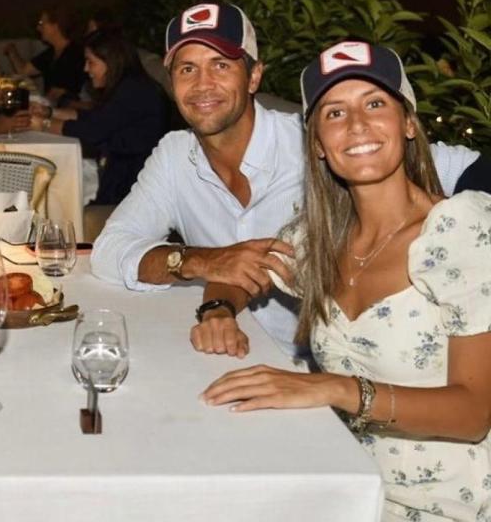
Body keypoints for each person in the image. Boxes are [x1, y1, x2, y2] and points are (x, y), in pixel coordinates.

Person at [90, 2, 487, 358]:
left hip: (332, 366)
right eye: (187, 68)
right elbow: (109, 250)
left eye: (221, 65)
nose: (202, 84)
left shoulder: (325, 141)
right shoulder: (176, 156)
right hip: (230, 354)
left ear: (254, 76)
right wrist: (202, 261)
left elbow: (454, 167)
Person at [203, 41, 491, 521]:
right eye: (335, 113)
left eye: (375, 104)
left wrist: (335, 388)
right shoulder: (321, 237)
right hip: (343, 482)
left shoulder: (462, 229)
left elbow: (473, 412)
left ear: (409, 123)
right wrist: (217, 309)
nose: (357, 125)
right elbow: (238, 269)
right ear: (317, 144)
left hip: (446, 505)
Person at [28, 30, 169, 204]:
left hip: (133, 188)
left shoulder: (133, 91)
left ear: (110, 62)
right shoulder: (129, 84)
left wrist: (43, 124)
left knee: (56, 189)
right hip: (123, 176)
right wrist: (50, 113)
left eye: (91, 62)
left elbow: (91, 131)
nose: (86, 69)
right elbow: (98, 117)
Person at [4, 5, 85, 106]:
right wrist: (12, 51)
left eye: (42, 23)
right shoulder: (51, 53)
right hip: (51, 108)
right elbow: (24, 70)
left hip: (69, 113)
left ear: (56, 26)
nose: (38, 28)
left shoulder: (76, 53)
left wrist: (38, 102)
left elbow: (60, 93)